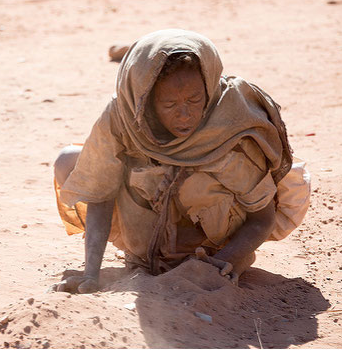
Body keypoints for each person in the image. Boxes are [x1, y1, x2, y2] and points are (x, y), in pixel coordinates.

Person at [53, 29, 310, 294]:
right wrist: (91, 273)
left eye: (194, 100)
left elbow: (261, 218)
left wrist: (225, 261)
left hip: (216, 243)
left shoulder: (229, 125)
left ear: (208, 90)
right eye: (169, 104)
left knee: (194, 180)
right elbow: (100, 193)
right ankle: (142, 256)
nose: (185, 114)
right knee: (72, 163)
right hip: (145, 235)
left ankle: (212, 256)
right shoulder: (124, 116)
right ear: (147, 102)